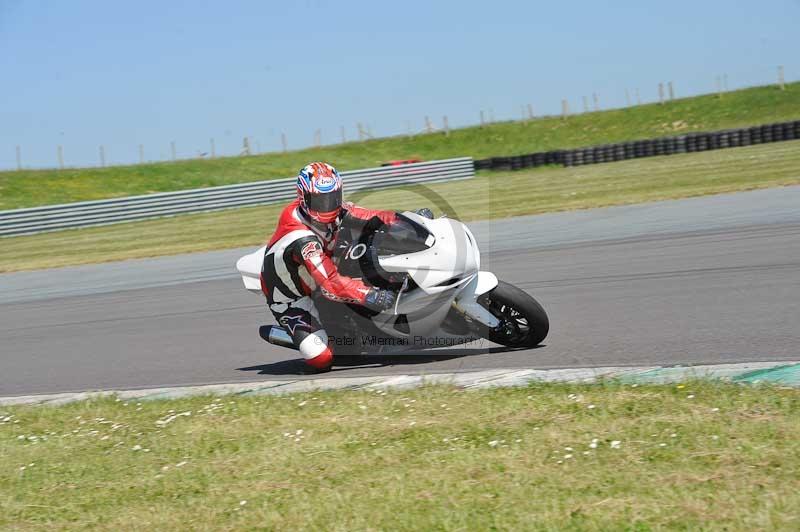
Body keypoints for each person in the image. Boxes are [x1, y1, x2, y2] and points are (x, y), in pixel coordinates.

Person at [260, 162, 399, 372]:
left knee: (372, 240)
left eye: (333, 198)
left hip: (320, 273)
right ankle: (293, 334)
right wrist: (370, 295)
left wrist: (406, 219)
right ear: (303, 198)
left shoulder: (336, 211)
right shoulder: (300, 237)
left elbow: (371, 216)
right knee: (322, 359)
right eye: (320, 200)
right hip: (293, 298)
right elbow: (331, 283)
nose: (328, 206)